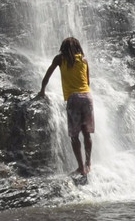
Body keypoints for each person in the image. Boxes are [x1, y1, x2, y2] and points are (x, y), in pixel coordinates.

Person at [36, 37, 94, 179]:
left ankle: (81, 167)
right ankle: (88, 163)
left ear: (63, 47)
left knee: (74, 136)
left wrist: (42, 90)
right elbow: (87, 82)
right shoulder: (84, 60)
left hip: (73, 98)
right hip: (87, 97)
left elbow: (48, 75)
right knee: (87, 133)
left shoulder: (60, 59)